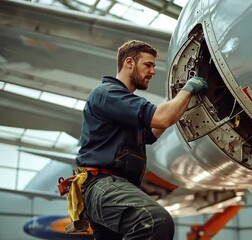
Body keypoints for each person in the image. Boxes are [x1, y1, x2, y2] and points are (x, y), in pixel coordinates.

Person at [75, 40, 208, 240]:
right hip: (103, 185)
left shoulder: (121, 106)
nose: (153, 71)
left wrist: (178, 101)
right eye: (148, 64)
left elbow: (152, 132)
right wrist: (188, 90)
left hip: (113, 187)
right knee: (155, 221)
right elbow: (162, 119)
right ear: (129, 62)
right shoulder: (108, 94)